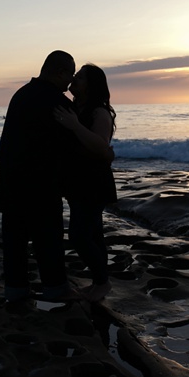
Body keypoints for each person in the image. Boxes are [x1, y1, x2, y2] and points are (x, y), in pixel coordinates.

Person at [0, 50, 80, 303]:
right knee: (48, 239)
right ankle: (56, 289)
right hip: (42, 183)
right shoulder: (57, 101)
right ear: (60, 72)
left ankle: (16, 291)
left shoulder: (21, 95)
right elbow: (73, 144)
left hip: (11, 181)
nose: (70, 83)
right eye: (70, 75)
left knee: (15, 242)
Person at [53, 63, 117, 302]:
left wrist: (74, 126)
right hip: (77, 180)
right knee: (94, 234)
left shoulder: (98, 112)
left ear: (91, 85)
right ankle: (99, 282)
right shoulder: (75, 107)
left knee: (79, 236)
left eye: (79, 77)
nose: (73, 79)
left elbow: (101, 147)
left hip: (93, 182)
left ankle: (102, 282)